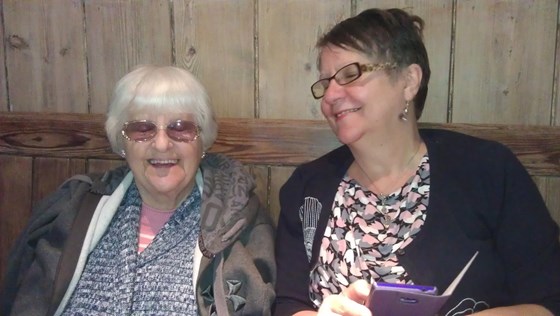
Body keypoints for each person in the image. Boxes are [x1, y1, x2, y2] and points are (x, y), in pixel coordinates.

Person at [274, 8, 560, 316]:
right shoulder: (306, 188)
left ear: (409, 81)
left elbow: (549, 299)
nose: (330, 95)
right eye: (324, 83)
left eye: (349, 74)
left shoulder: (487, 170)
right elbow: (290, 304)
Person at [1, 65, 276, 315]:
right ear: (122, 143)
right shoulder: (73, 208)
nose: (161, 144)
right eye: (142, 129)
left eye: (180, 128)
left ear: (202, 141)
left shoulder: (242, 222)